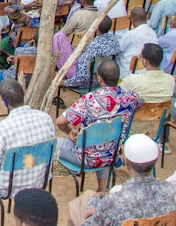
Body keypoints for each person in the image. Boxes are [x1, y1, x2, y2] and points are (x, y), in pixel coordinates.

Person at [56, 59, 143, 192]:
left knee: (52, 143)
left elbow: (60, 122)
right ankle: (102, 186)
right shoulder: (131, 97)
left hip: (85, 157)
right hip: (112, 153)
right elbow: (140, 103)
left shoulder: (89, 99)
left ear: (100, 79)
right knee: (104, 138)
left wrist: (69, 131)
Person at [0, 80, 56, 196]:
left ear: (4, 102)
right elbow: (55, 154)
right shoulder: (46, 118)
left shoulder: (1, 129)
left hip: (8, 186)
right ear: (23, 93)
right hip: (40, 180)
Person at [69, 133, 176, 226]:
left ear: (127, 162)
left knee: (77, 205)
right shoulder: (168, 189)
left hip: (109, 206)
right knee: (90, 195)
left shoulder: (114, 202)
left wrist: (94, 203)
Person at [60, 16, 122, 91]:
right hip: (101, 79)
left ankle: (58, 75)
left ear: (96, 27)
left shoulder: (95, 45)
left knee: (59, 37)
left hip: (86, 83)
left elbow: (82, 75)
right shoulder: (115, 41)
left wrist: (65, 83)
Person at [115, 8, 157, 77]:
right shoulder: (153, 33)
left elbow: (119, 49)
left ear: (132, 19)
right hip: (145, 70)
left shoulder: (131, 34)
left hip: (127, 72)